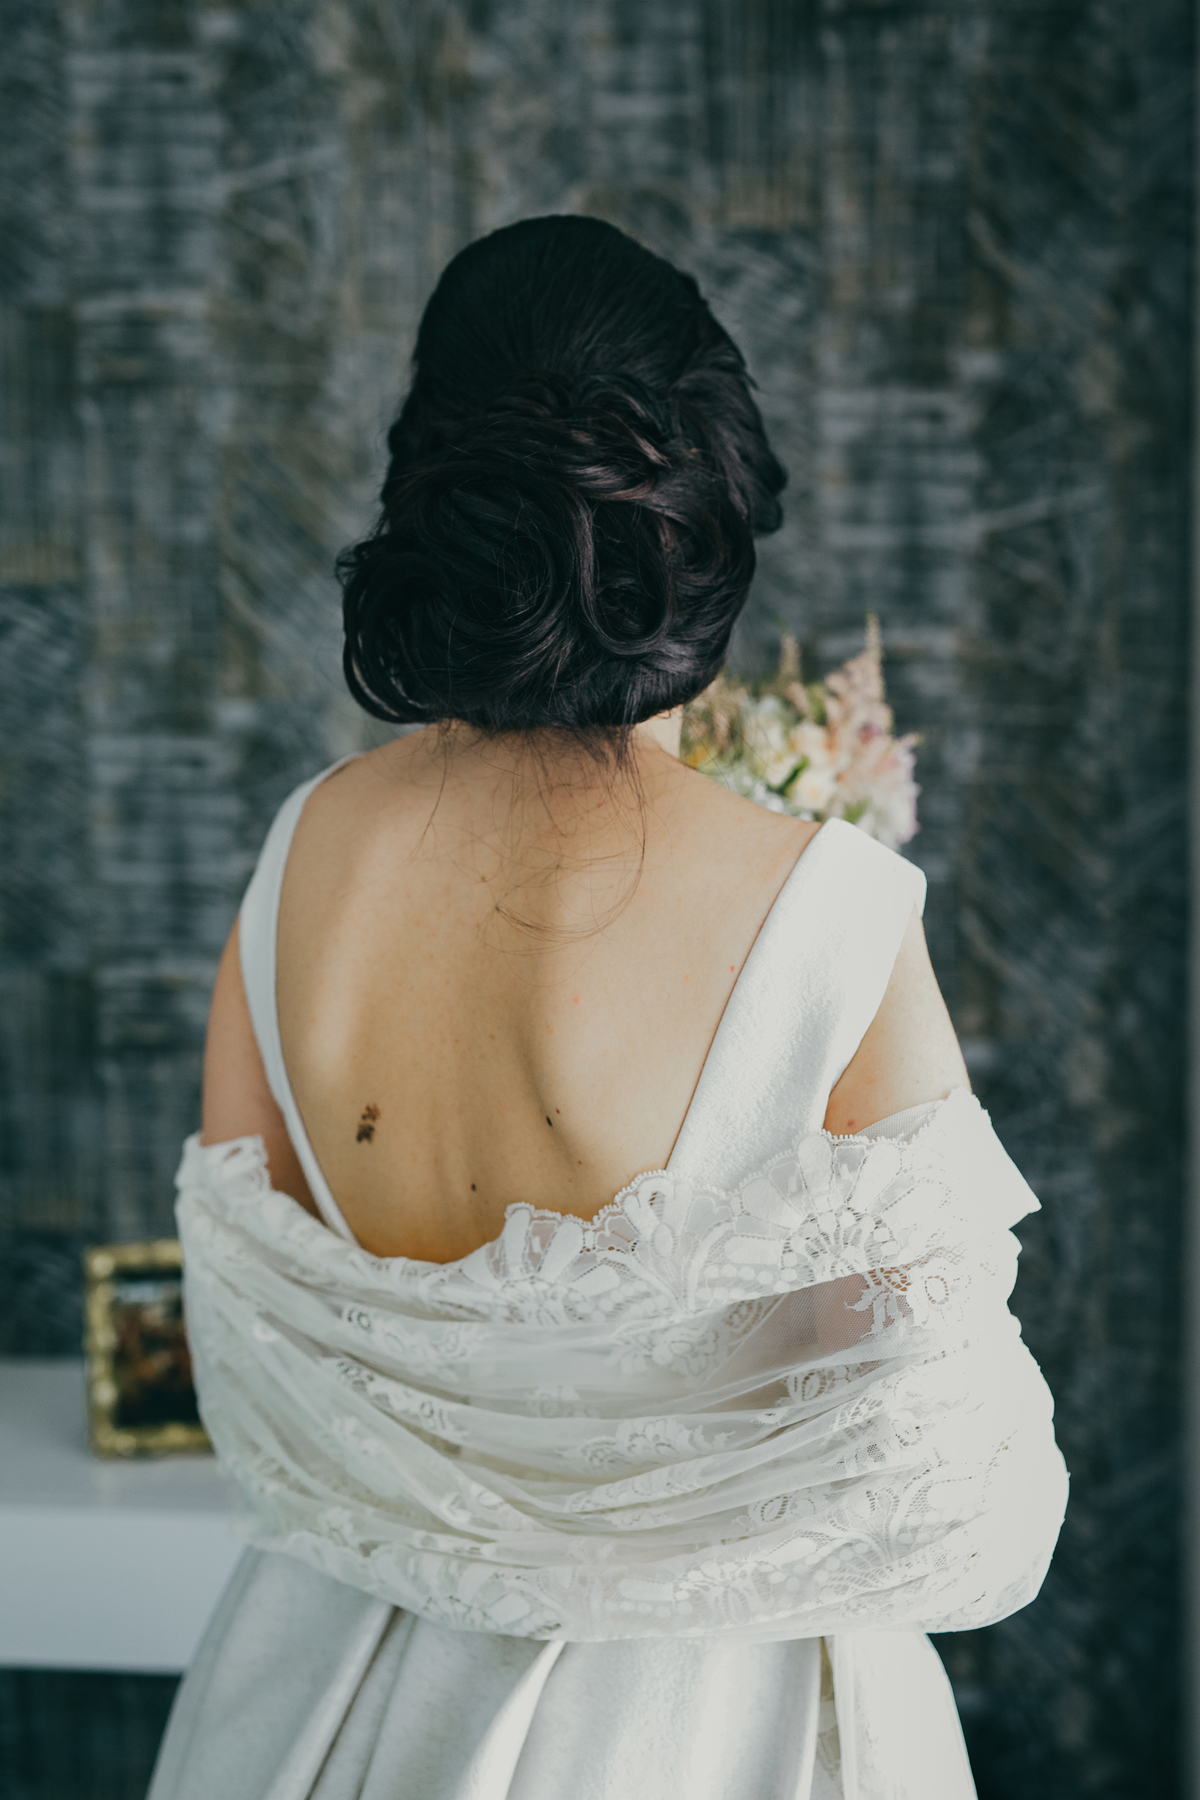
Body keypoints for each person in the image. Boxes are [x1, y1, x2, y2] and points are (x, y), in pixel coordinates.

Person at [150, 216, 1067, 1800]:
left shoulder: (298, 853)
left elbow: (254, 1365)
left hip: (333, 1697)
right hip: (703, 1726)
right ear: (702, 506)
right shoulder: (826, 909)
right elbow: (959, 1483)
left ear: (433, 488)